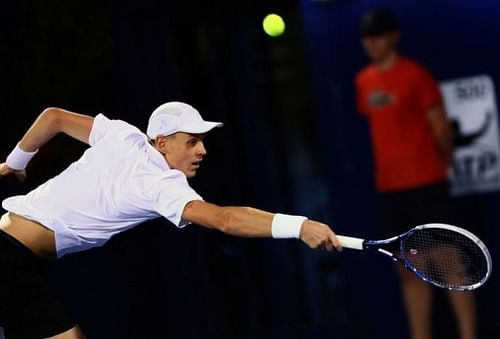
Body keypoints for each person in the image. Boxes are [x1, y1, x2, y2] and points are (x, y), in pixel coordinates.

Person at [0, 102, 342, 339]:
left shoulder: (123, 135)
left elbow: (54, 117)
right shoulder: (160, 185)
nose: (202, 151)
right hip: (11, 260)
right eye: (192, 142)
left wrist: (15, 163)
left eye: (202, 142)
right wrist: (298, 226)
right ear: (162, 143)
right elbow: (223, 219)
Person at [355, 9, 476, 339]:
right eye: (367, 37)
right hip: (391, 190)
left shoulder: (416, 75)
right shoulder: (363, 81)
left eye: (377, 35)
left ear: (394, 36)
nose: (371, 43)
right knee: (409, 270)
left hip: (427, 184)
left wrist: (444, 165)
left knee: (449, 263)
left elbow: (440, 127)